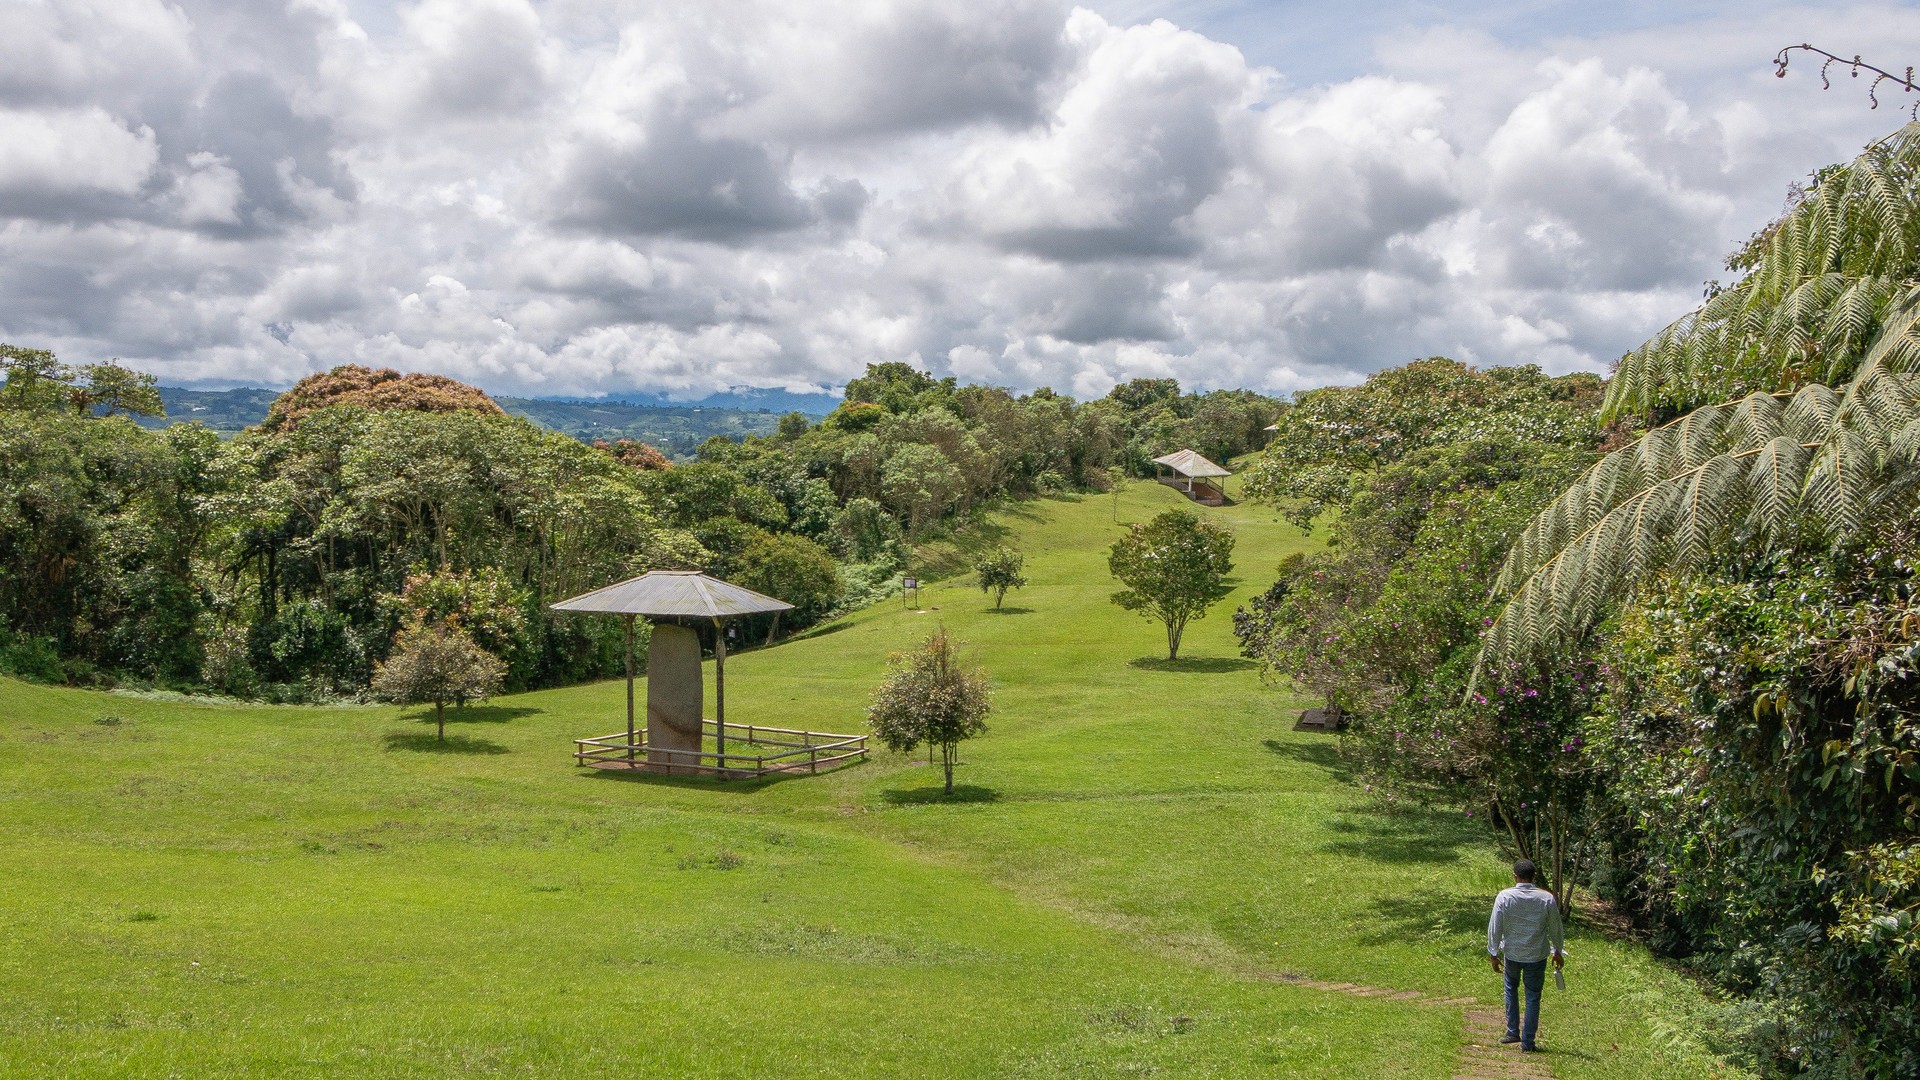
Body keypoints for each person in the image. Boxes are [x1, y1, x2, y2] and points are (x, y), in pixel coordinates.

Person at [1486, 858, 1565, 1052]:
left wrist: (1493, 952)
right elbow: (1556, 927)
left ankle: (1513, 1031)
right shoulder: (1546, 898)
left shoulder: (1505, 896)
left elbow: (1495, 926)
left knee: (1510, 989)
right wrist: (1557, 950)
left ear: (1515, 876)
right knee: (1532, 997)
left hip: (1512, 953)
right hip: (1536, 955)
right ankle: (1528, 1043)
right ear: (1534, 876)